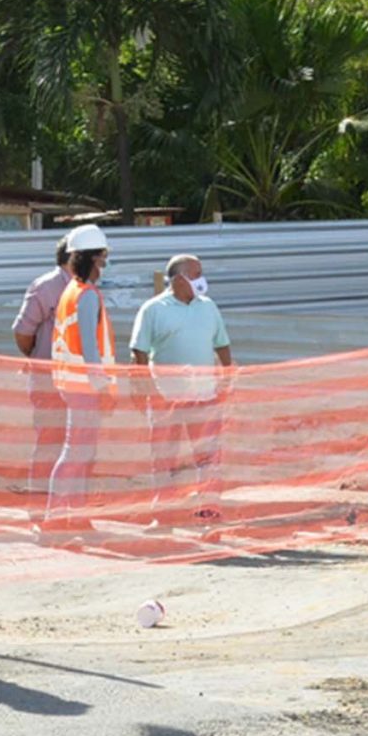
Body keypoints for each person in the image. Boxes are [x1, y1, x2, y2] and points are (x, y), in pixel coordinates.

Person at [130, 254, 234, 526]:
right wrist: (147, 390)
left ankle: (209, 514)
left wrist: (226, 375)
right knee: (163, 460)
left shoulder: (209, 307)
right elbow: (138, 353)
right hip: (167, 399)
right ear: (178, 279)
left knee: (208, 459)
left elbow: (221, 343)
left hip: (205, 398)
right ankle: (162, 517)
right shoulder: (152, 310)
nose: (201, 279)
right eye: (195, 274)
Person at [47, 224, 116, 536]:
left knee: (80, 453)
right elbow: (90, 347)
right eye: (102, 259)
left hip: (72, 384)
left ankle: (74, 515)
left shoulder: (70, 292)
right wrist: (102, 385)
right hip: (84, 387)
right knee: (76, 453)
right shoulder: (85, 296)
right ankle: (58, 517)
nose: (104, 266)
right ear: (92, 259)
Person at [12, 236, 74, 493]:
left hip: (79, 384)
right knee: (50, 439)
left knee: (78, 445)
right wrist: (40, 357)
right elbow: (22, 333)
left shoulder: (88, 288)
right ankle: (39, 503)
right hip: (49, 380)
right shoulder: (46, 286)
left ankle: (69, 507)